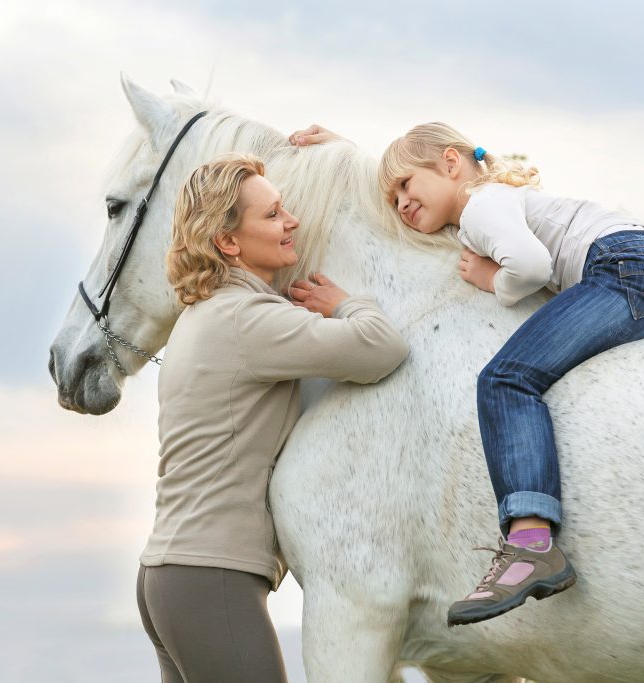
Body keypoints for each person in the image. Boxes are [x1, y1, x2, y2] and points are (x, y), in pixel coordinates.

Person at [290, 122, 644, 626]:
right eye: (392, 200)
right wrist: (347, 151)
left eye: (406, 186)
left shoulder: (481, 206)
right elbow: (422, 175)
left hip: (631, 271)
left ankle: (529, 541)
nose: (402, 205)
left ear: (452, 163)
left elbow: (531, 266)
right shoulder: (506, 200)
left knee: (506, 380)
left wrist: (492, 278)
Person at [137, 153, 409, 681]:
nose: (293, 223)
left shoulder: (206, 314)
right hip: (209, 579)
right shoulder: (246, 320)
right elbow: (382, 348)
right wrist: (347, 306)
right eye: (273, 214)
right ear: (228, 242)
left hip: (170, 577)